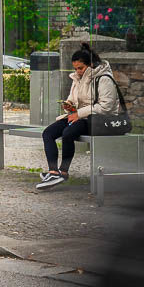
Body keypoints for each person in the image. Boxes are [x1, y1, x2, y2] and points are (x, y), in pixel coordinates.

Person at [38, 44, 119, 191]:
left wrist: (78, 113)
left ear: (91, 65)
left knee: (68, 133)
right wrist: (69, 106)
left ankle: (63, 172)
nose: (78, 72)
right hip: (79, 116)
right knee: (48, 133)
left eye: (80, 68)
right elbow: (73, 99)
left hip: (99, 119)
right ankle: (53, 172)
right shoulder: (77, 79)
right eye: (75, 68)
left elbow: (105, 107)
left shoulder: (104, 79)